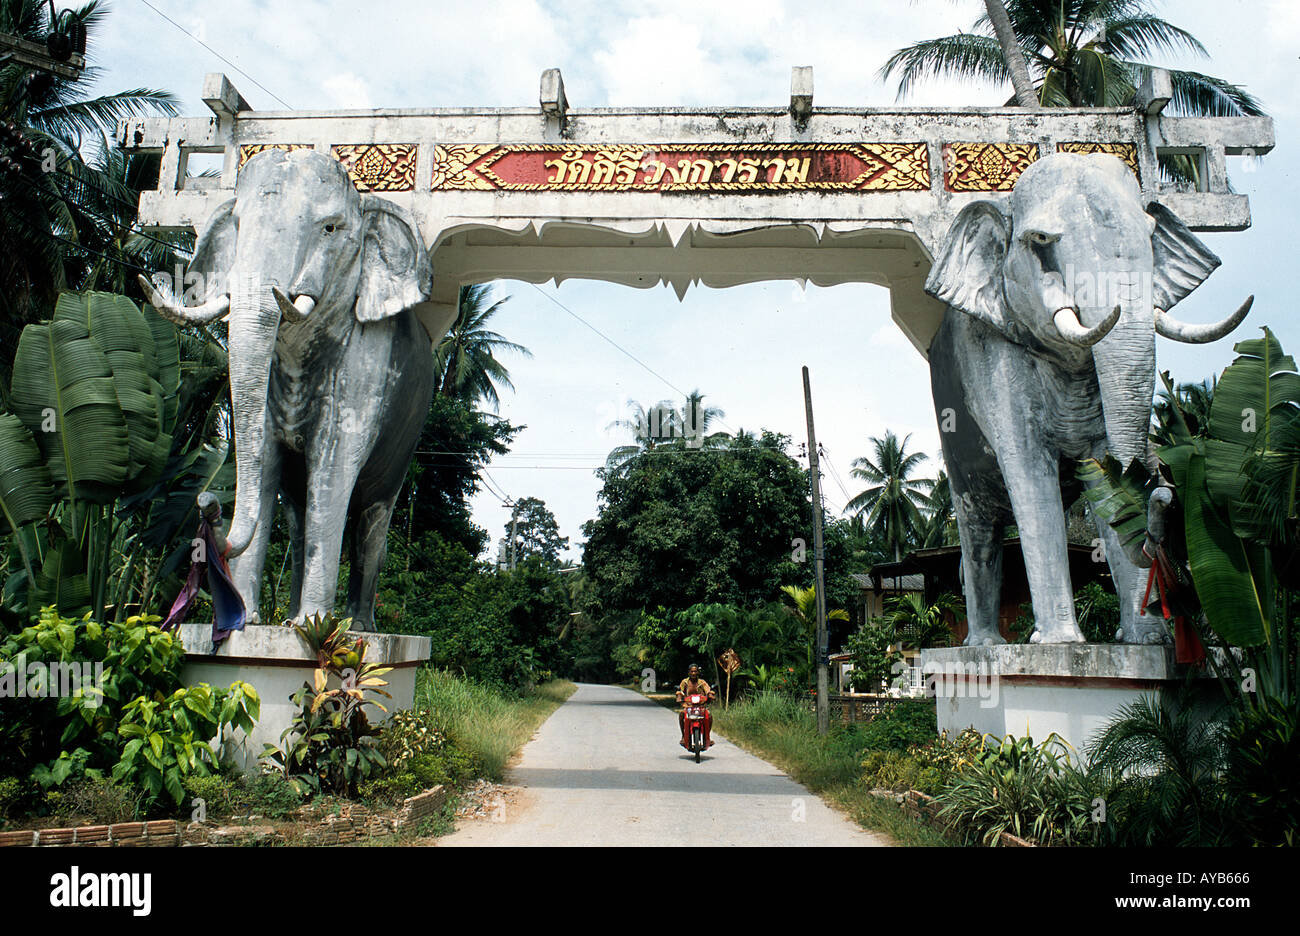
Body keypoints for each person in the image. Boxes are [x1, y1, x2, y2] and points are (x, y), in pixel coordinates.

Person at [675, 663, 716, 749]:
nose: (693, 673)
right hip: (688, 706)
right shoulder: (685, 682)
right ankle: (683, 736)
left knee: (709, 715)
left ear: (698, 672)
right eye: (692, 671)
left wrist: (710, 695)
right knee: (681, 714)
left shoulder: (702, 682)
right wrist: (679, 696)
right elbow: (680, 691)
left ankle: (707, 736)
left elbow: (708, 690)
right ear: (689, 672)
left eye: (695, 671)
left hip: (701, 706)